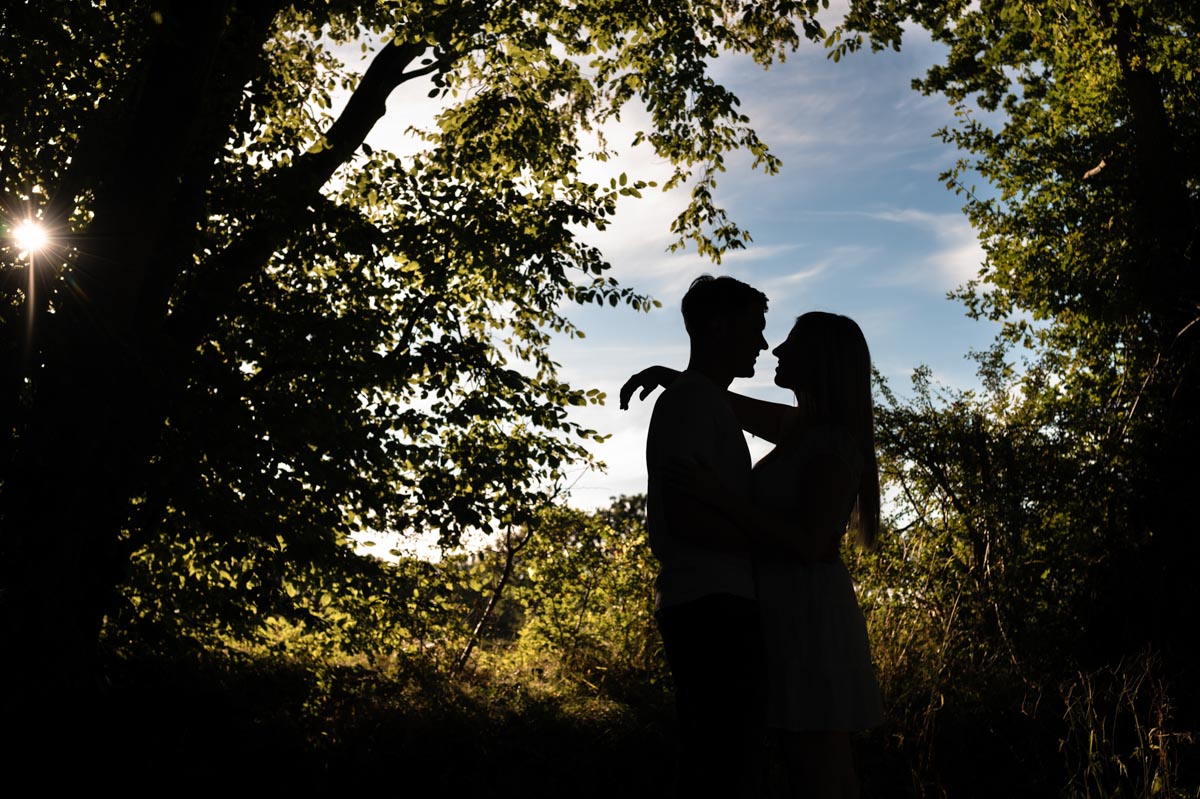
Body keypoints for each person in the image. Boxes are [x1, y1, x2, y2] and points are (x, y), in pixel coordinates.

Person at [622, 311, 884, 799]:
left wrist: (720, 498)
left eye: (792, 342)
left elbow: (810, 543)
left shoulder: (831, 443)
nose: (776, 349)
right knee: (801, 763)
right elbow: (724, 400)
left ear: (821, 360)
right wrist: (674, 378)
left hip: (809, 614)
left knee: (820, 767)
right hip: (786, 608)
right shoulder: (801, 428)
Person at [632, 274, 771, 798]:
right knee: (722, 765)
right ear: (717, 328)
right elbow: (687, 521)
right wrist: (775, 546)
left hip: (713, 602)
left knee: (722, 761)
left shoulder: (705, 401)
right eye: (753, 329)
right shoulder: (691, 403)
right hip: (711, 606)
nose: (762, 344)